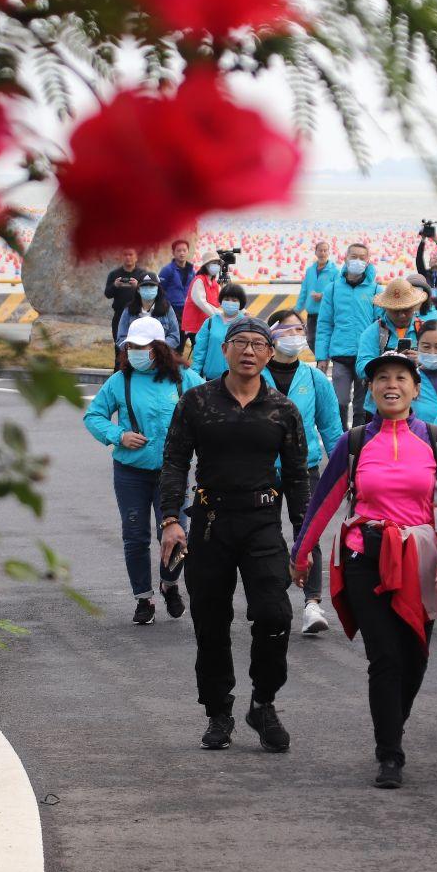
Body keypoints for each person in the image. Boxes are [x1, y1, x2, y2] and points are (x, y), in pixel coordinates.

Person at [293, 352, 437, 788]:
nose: (392, 384)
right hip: (363, 557)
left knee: (416, 656)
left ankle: (393, 722)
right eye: (382, 378)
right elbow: (324, 501)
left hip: (420, 560)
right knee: (385, 656)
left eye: (401, 378)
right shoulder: (353, 443)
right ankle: (390, 751)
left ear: (415, 389)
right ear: (370, 389)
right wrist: (302, 552)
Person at [158, 316, 310, 753]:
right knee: (210, 620)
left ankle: (263, 702)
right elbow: (174, 462)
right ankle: (218, 712)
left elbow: (298, 477)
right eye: (240, 342)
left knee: (275, 614)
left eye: (258, 345)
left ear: (268, 353)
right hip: (210, 523)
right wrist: (170, 520)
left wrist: (304, 537)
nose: (249, 351)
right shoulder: (196, 402)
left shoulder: (283, 409)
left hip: (263, 523)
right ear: (224, 349)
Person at [84, 317, 205, 624]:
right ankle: (144, 598)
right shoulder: (120, 381)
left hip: (172, 472)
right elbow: (93, 415)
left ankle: (169, 583)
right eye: (131, 347)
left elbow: (209, 406)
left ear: (159, 348)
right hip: (130, 471)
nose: (136, 352)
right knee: (135, 536)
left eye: (143, 347)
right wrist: (118, 435)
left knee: (177, 534)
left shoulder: (183, 378)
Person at [263, 309, 344, 636]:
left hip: (304, 467)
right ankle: (272, 592)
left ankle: (312, 602)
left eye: (299, 329)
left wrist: (345, 471)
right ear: (271, 336)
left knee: (307, 531)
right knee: (264, 533)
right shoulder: (255, 376)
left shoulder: (313, 380)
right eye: (287, 329)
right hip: (262, 469)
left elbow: (332, 429)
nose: (295, 334)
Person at [316, 243, 377, 427]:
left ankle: (359, 442)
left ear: (368, 262)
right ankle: (341, 439)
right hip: (340, 355)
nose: (357, 261)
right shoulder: (333, 289)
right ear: (345, 258)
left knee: (362, 407)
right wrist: (321, 357)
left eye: (362, 258)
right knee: (339, 402)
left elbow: (380, 327)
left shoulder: (375, 291)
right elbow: (325, 324)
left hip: (366, 357)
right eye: (353, 256)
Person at [354, 277, 429, 424]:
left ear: (414, 306)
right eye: (396, 311)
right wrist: (388, 359)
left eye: (406, 310)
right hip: (380, 407)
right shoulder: (373, 332)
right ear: (386, 308)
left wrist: (423, 359)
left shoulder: (425, 330)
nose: (401, 315)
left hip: (419, 407)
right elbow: (361, 367)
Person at [191, 283, 250, 381]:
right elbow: (200, 350)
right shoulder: (210, 322)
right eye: (226, 299)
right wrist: (195, 374)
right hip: (211, 378)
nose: (230, 302)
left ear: (241, 303)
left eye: (234, 300)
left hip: (238, 379)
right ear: (221, 301)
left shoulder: (246, 324)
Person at [294, 241, 337, 358]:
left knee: (324, 340)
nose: (322, 253)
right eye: (320, 250)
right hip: (312, 313)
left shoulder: (334, 271)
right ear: (315, 252)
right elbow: (304, 291)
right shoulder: (310, 270)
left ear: (329, 252)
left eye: (325, 250)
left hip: (327, 312)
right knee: (311, 340)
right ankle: (322, 359)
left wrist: (323, 295)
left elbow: (338, 290)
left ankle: (323, 362)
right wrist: (296, 310)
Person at [116, 272, 181, 349]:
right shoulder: (128, 310)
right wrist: (133, 347)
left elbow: (174, 337)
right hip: (135, 355)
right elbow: (121, 338)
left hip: (160, 357)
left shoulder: (167, 309)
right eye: (145, 286)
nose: (148, 289)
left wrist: (158, 348)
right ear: (138, 289)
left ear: (157, 289)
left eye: (152, 286)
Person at [181, 252, 223, 355]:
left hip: (207, 325)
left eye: (217, 263)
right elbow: (201, 302)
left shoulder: (214, 284)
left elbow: (225, 299)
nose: (216, 266)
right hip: (196, 326)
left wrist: (241, 311)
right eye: (213, 263)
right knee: (200, 353)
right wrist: (220, 314)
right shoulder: (199, 281)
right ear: (206, 265)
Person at [104, 247, 152, 334]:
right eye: (125, 255)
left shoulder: (143, 274)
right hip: (120, 314)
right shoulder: (114, 274)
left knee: (138, 343)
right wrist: (115, 285)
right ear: (121, 257)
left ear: (136, 257)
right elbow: (107, 294)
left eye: (130, 255)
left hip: (138, 314)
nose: (128, 257)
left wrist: (138, 286)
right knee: (119, 344)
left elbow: (150, 295)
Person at [158, 237, 196, 318]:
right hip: (171, 309)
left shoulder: (191, 271)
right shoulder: (167, 270)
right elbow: (160, 289)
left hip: (187, 309)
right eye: (178, 251)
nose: (182, 253)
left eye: (184, 250)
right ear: (173, 252)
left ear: (188, 252)